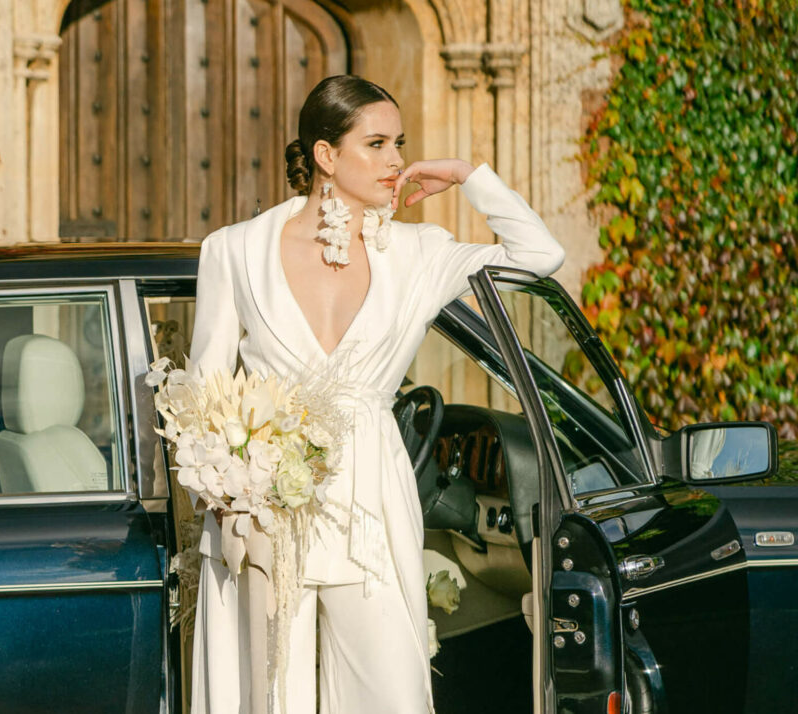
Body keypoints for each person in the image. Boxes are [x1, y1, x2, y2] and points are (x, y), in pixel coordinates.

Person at [187, 75, 565, 714]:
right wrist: (230, 496)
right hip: (264, 514)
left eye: (402, 143)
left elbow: (540, 256)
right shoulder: (234, 250)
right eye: (379, 143)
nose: (397, 160)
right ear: (326, 156)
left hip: (374, 505)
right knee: (274, 696)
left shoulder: (420, 253)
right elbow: (204, 395)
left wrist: (467, 175)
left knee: (390, 692)